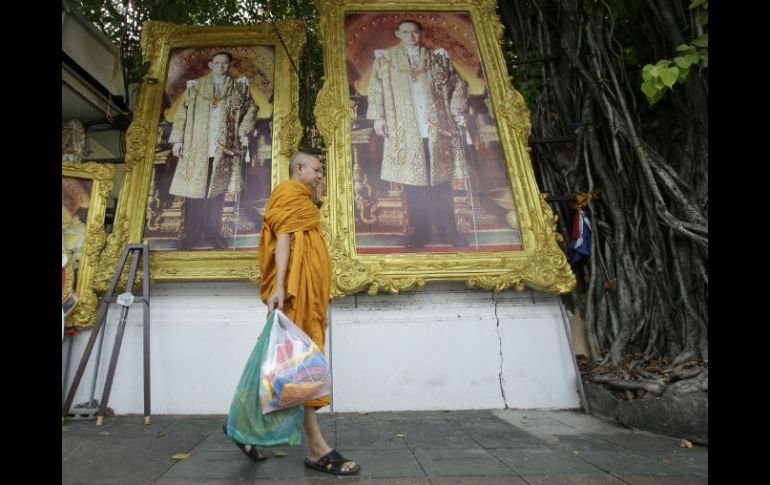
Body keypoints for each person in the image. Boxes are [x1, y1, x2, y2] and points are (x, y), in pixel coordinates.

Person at [252, 151, 360, 475]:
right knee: (301, 366)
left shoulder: (304, 200)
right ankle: (316, 447)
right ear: (298, 169)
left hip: (309, 296)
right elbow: (283, 241)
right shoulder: (287, 193)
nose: (319, 175)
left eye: (321, 170)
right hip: (295, 293)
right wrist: (280, 288)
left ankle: (242, 426)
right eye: (316, 169)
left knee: (288, 364)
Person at [367, 19, 469, 248]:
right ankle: (420, 233)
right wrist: (378, 118)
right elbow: (375, 88)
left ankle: (449, 231)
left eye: (415, 32)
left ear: (421, 33)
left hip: (437, 130)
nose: (411, 36)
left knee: (441, 182)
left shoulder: (437, 57)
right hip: (405, 130)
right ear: (398, 34)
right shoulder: (386, 59)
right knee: (413, 184)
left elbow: (459, 85)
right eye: (406, 32)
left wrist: (457, 111)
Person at [168, 51, 258, 249]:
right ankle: (190, 235)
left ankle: (213, 233)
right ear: (210, 65)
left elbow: (251, 109)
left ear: (229, 65)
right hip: (196, 147)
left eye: (225, 63)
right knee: (194, 193)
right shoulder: (196, 87)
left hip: (224, 148)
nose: (221, 66)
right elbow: (181, 114)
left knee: (217, 193)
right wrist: (177, 141)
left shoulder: (239, 87)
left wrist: (243, 131)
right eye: (217, 63)